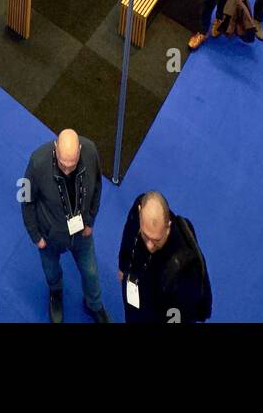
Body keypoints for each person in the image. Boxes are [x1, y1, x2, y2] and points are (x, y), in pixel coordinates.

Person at [21, 129, 108, 324]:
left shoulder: (91, 151)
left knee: (91, 273)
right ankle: (55, 294)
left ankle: (94, 304)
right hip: (49, 236)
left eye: (72, 164)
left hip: (81, 234)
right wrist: (36, 236)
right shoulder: (36, 162)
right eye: (62, 164)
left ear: (79, 149)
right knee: (51, 272)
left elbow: (97, 186)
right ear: (55, 149)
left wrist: (90, 220)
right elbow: (25, 200)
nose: (67, 170)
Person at [117, 191, 212, 325]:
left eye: (156, 240)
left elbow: (179, 317)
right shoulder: (140, 206)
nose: (150, 246)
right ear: (140, 212)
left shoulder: (185, 272)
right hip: (135, 298)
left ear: (168, 226)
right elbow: (129, 234)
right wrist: (123, 265)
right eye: (146, 236)